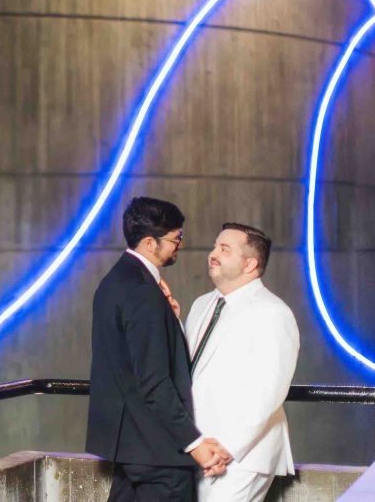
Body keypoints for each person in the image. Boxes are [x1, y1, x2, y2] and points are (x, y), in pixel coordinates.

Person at [86, 197, 232, 501]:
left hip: (127, 448)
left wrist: (171, 319)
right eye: (175, 238)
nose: (180, 244)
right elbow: (154, 381)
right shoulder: (143, 291)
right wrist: (196, 444)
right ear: (150, 243)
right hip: (158, 452)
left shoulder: (114, 281)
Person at [186, 223, 300, 502]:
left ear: (250, 264)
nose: (213, 253)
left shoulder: (273, 313)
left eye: (225, 249)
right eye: (215, 246)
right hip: (200, 448)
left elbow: (269, 391)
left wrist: (228, 447)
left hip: (244, 455)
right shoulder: (201, 304)